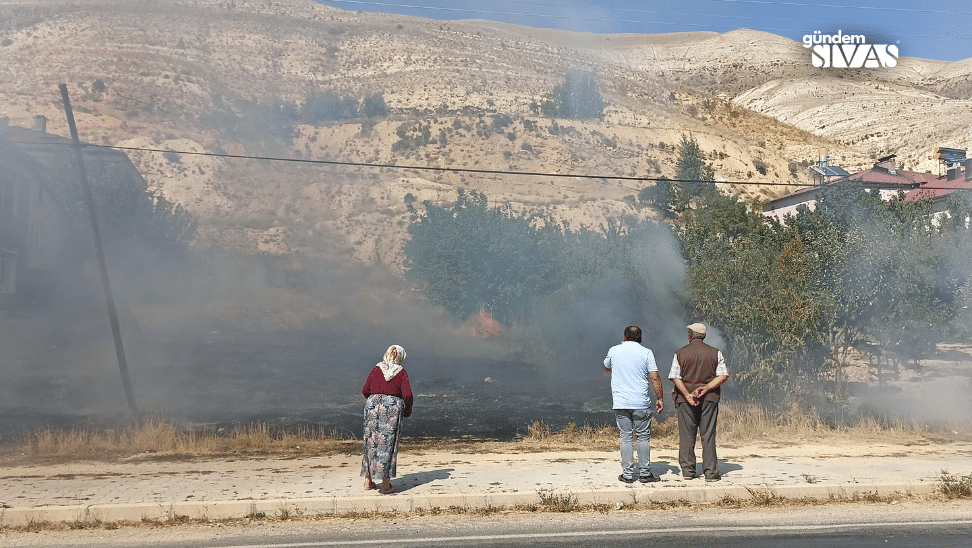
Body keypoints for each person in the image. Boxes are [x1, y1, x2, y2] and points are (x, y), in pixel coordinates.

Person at [603, 325, 665, 483]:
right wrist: (660, 398)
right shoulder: (646, 352)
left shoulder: (614, 350)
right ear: (641, 339)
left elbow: (606, 366)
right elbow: (655, 377)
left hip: (621, 403)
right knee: (643, 438)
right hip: (641, 403)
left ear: (624, 337)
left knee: (625, 438)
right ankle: (645, 473)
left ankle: (628, 474)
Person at [669, 322, 729, 482]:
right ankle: (711, 474)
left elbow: (675, 377)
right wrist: (706, 388)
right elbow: (723, 376)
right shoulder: (716, 353)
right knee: (708, 435)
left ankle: (688, 472)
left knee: (687, 436)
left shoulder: (680, 353)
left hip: (684, 400)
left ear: (690, 336)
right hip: (709, 399)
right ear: (704, 336)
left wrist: (688, 395)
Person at [361, 344, 413, 495]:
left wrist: (374, 400)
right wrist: (407, 410)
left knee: (370, 442)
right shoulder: (401, 372)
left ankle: (368, 481)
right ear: (401, 357)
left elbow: (365, 389)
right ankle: (385, 485)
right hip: (391, 409)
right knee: (387, 445)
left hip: (372, 405)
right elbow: (408, 394)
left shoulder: (376, 369)